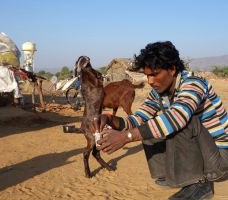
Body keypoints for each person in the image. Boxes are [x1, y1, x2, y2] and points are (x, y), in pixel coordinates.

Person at [95, 41, 228, 200]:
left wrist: (126, 137)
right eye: (147, 75)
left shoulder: (193, 83)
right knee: (150, 124)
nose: (150, 81)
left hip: (220, 160)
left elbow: (178, 116)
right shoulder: (159, 92)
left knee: (177, 119)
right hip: (202, 156)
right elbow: (139, 118)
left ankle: (199, 185)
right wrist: (109, 119)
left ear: (172, 69)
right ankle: (169, 174)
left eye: (154, 74)